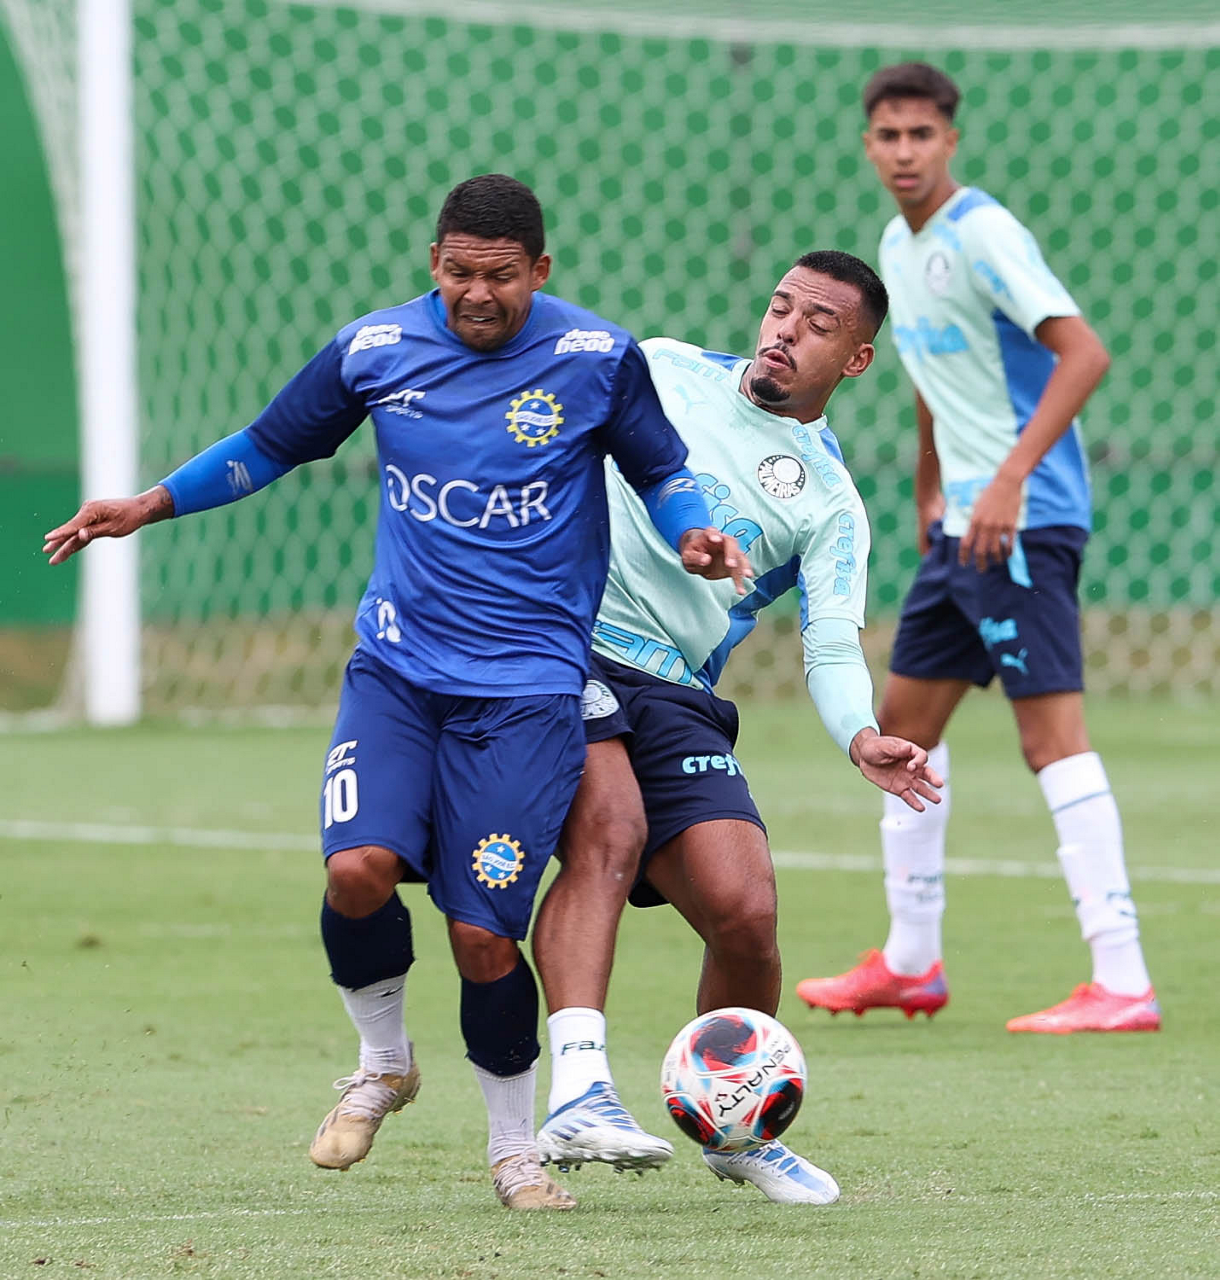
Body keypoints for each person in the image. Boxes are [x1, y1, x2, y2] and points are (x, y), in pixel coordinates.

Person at [42, 174, 751, 1212]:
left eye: (499, 277)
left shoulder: (596, 358)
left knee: (482, 935)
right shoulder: (374, 349)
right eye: (458, 272)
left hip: (527, 693)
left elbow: (663, 472)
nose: (476, 294)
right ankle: (383, 1062)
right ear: (433, 262)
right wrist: (149, 504)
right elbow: (268, 445)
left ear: (539, 271)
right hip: (398, 674)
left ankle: (513, 1151)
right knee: (357, 869)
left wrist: (693, 531)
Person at [528, 250, 943, 1204]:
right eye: (781, 307)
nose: (786, 330)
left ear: (856, 360)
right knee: (608, 838)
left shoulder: (830, 500)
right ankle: (578, 1091)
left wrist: (861, 734)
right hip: (564, 646)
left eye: (818, 325)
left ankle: (738, 1132)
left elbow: (830, 645)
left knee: (746, 915)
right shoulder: (663, 367)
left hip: (674, 691)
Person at [796, 64, 1159, 1034]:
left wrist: (1004, 479)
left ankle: (1121, 979)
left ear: (949, 141)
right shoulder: (895, 245)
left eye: (921, 134)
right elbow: (929, 368)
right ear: (868, 145)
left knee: (1051, 742)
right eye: (888, 135)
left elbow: (1084, 352)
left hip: (1021, 521)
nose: (904, 151)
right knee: (903, 729)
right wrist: (931, 482)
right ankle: (910, 962)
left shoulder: (983, 233)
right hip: (959, 527)